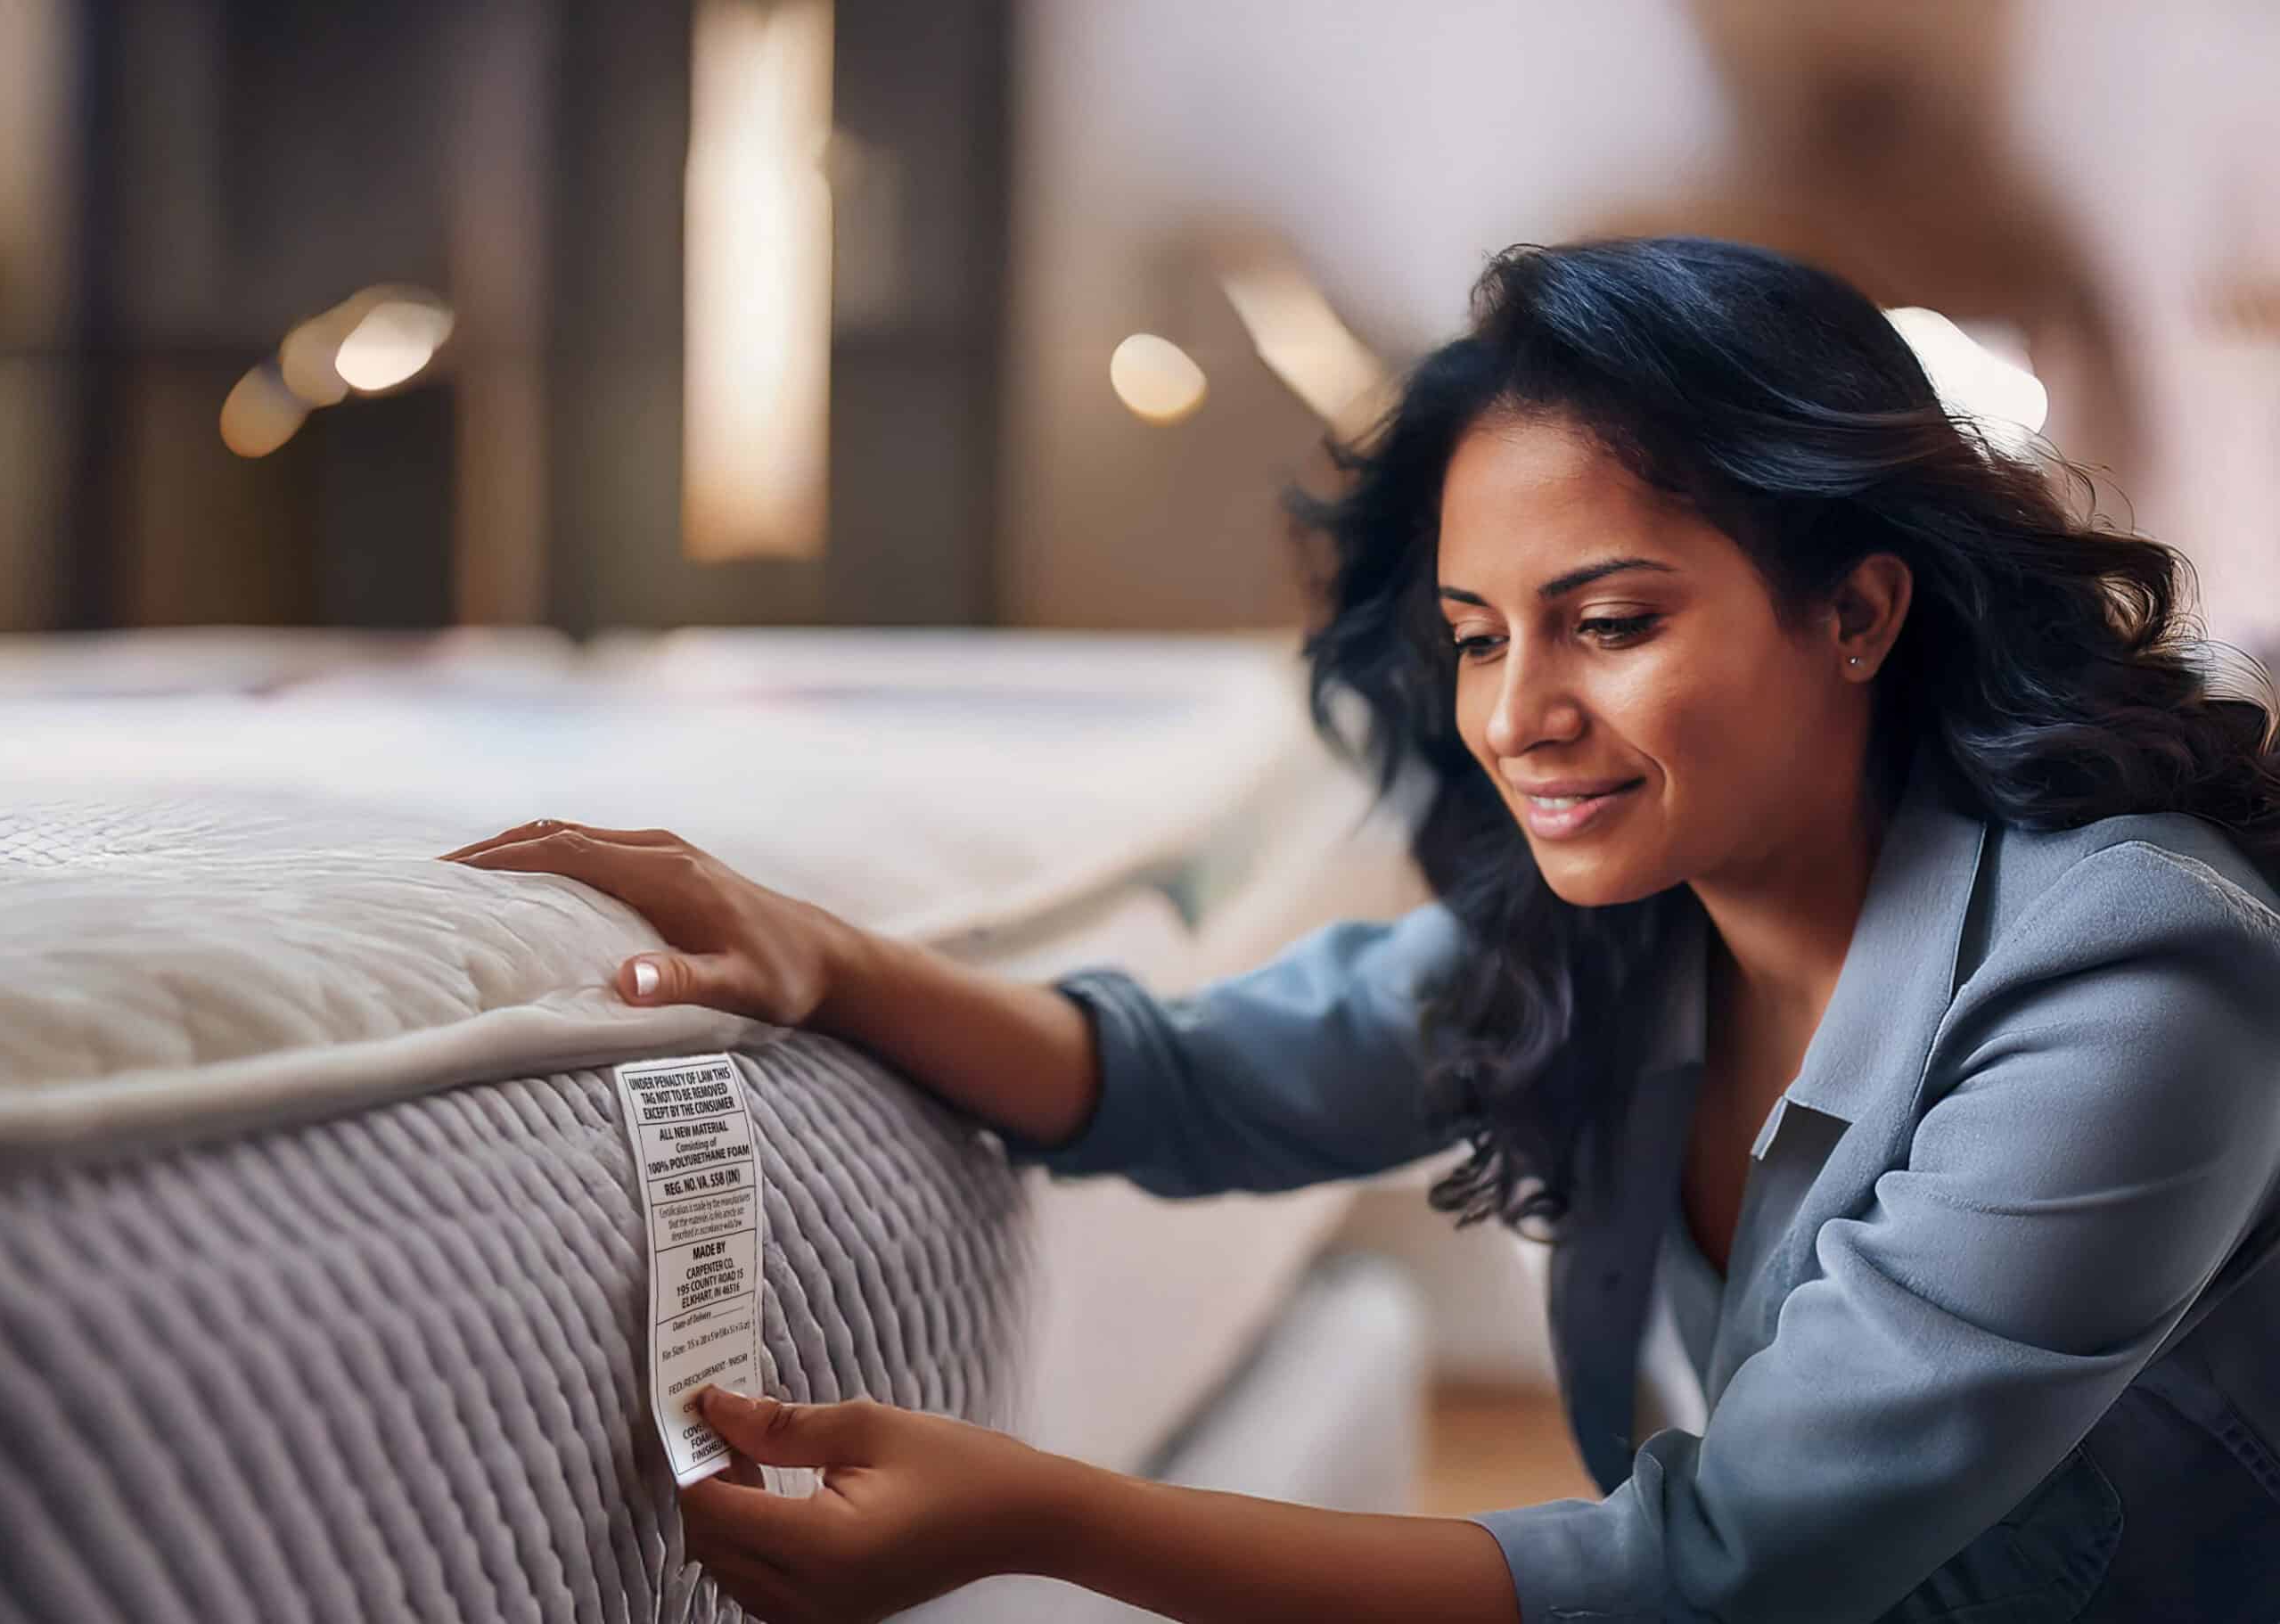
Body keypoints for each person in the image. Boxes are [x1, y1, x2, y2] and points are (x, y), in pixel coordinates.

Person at [443, 237, 2280, 1623]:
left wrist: (1037, 1516)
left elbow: (1730, 1565)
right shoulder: (1629, 921)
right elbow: (1186, 1075)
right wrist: (827, 955)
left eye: (1610, 620)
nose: (1514, 715)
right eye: (1478, 634)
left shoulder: (2129, 980)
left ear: (1857, 611)